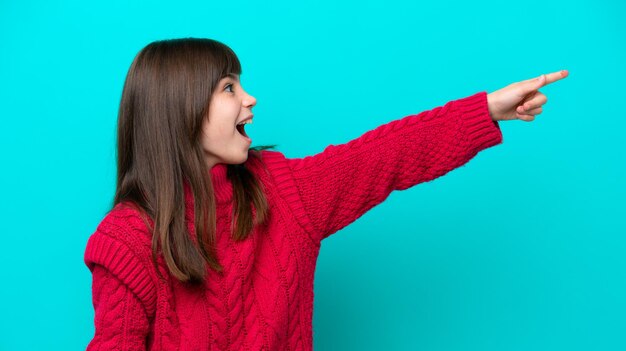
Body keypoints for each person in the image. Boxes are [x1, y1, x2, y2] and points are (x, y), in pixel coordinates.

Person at [83, 37, 568, 350]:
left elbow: (383, 157)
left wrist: (486, 111)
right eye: (229, 87)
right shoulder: (126, 240)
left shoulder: (283, 193)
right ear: (178, 110)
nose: (250, 98)